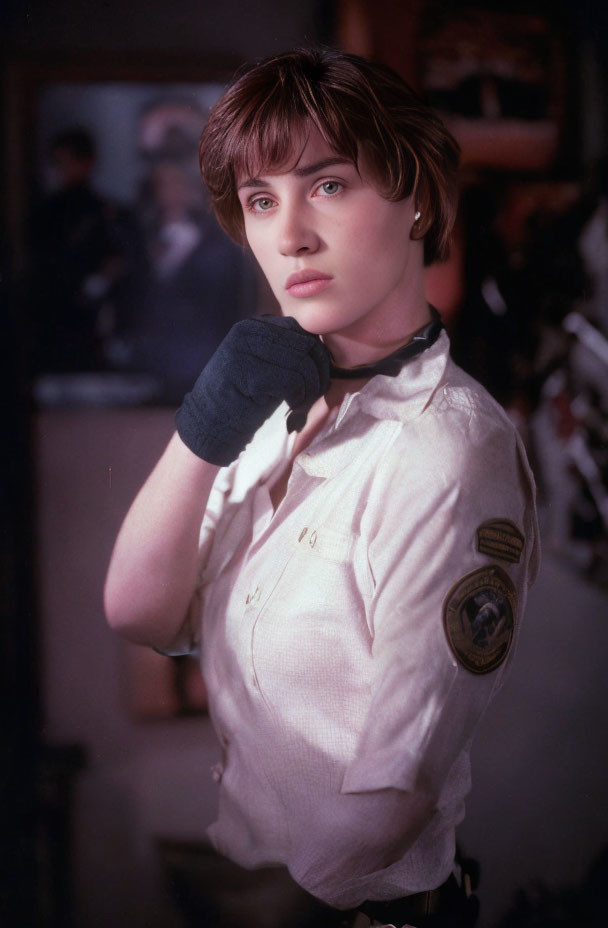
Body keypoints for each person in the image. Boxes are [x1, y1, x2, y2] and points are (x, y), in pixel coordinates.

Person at [104, 48, 540, 928]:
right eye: (262, 200)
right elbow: (140, 614)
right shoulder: (275, 400)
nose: (289, 233)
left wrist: (272, 913)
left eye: (328, 186)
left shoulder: (448, 452)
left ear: (416, 196)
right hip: (257, 892)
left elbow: (395, 788)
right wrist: (200, 435)